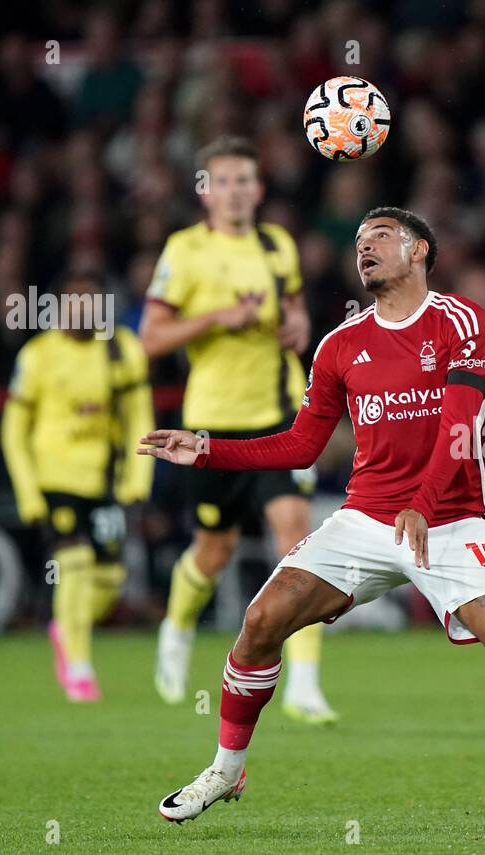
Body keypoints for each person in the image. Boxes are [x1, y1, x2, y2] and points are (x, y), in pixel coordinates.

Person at [139, 207, 485, 832]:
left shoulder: (461, 321)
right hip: (365, 523)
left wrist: (423, 507)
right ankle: (225, 767)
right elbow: (301, 445)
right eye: (358, 241)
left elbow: (459, 430)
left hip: (451, 522)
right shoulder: (340, 344)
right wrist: (211, 447)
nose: (364, 249)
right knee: (261, 620)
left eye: (381, 237)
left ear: (421, 250)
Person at [141, 135, 333, 722]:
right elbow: (150, 336)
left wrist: (298, 322)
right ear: (205, 191)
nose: (235, 191)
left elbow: (295, 308)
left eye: (245, 180)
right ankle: (176, 631)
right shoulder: (185, 250)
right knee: (213, 550)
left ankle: (303, 684)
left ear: (259, 188)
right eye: (222, 181)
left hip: (278, 417)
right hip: (210, 424)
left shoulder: (278, 245)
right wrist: (216, 319)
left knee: (297, 537)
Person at [1, 271, 154, 701]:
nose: (81, 311)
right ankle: (80, 666)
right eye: (73, 302)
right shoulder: (39, 355)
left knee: (108, 579)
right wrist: (28, 493)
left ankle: (64, 628)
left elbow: (136, 416)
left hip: (104, 479)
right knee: (75, 564)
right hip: (55, 478)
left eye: (90, 302)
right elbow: (14, 429)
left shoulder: (123, 350)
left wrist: (137, 476)